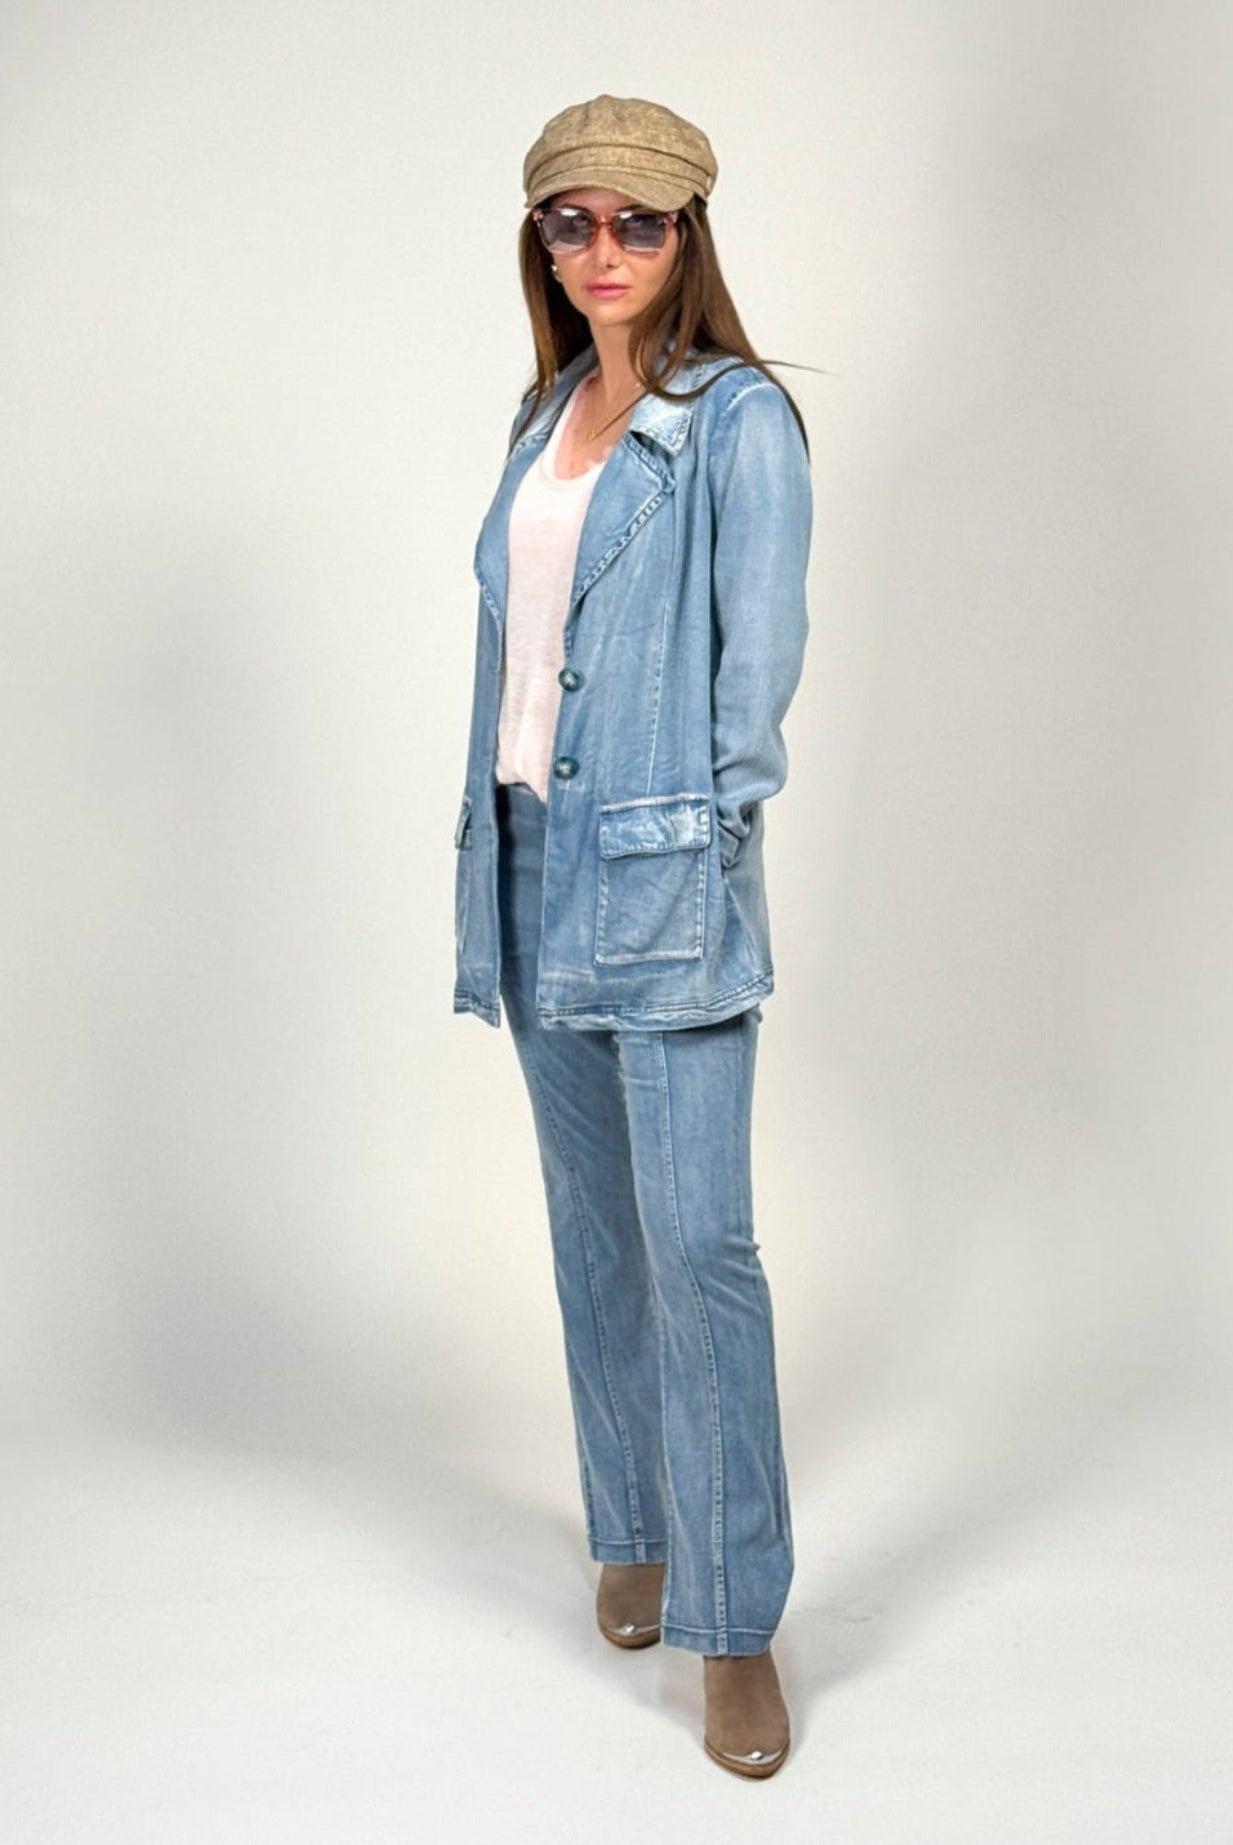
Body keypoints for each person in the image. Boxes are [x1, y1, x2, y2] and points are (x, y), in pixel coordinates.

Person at [452, 93, 813, 1778]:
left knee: (699, 1254)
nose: (602, 253)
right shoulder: (543, 416)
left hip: (659, 875)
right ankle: (633, 1523)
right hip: (526, 863)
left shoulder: (735, 420)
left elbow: (757, 681)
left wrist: (697, 833)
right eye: (571, 224)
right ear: (543, 244)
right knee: (593, 1240)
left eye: (636, 223)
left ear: (688, 237)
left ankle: (735, 1621)